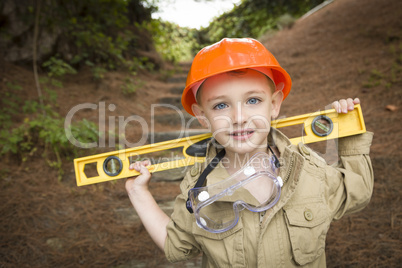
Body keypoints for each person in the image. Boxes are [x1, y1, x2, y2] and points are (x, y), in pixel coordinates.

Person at [125, 38, 374, 267]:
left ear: (274, 105)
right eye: (221, 105)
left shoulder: (305, 167)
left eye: (253, 100)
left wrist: (348, 131)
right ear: (202, 116)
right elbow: (177, 248)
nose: (239, 118)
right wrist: (139, 193)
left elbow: (357, 192)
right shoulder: (199, 187)